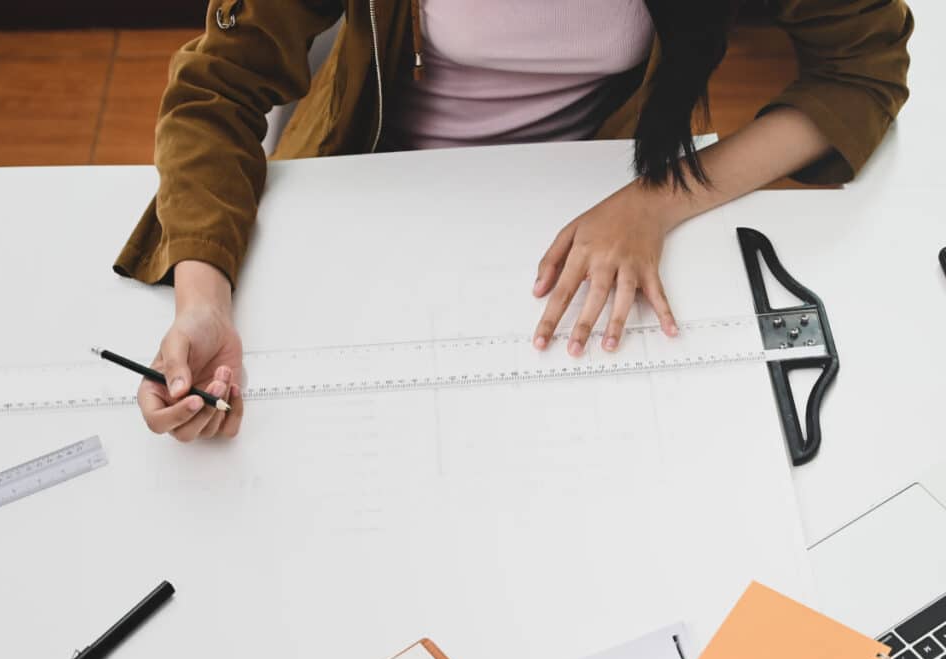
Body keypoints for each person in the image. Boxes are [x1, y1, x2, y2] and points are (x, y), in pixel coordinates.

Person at [115, 0, 912, 442]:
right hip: (374, 199)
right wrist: (203, 300)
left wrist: (658, 199)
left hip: (582, 210)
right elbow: (215, 88)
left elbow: (863, 70)